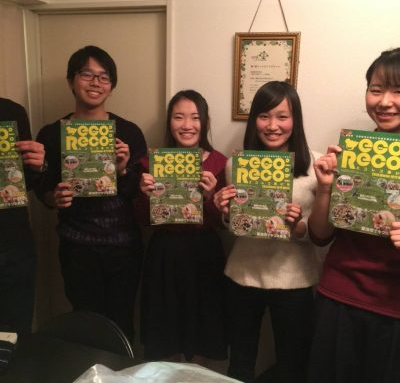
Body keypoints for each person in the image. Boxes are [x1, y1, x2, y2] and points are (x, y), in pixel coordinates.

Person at [35, 45, 147, 341]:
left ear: (111, 86)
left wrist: (122, 170)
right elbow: (43, 189)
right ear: (71, 81)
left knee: (121, 321)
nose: (96, 82)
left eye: (104, 77)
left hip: (123, 248)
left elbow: (138, 193)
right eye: (87, 74)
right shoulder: (51, 134)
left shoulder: (128, 132)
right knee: (85, 322)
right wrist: (54, 197)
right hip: (77, 247)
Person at [214, 81, 322, 383]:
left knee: (293, 365)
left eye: (282, 116)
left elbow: (318, 233)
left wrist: (296, 226)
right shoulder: (236, 165)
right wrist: (225, 212)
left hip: (295, 279)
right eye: (264, 116)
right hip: (243, 275)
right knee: (240, 363)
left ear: (295, 120)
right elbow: (237, 228)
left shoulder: (316, 167)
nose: (273, 126)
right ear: (254, 121)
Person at [308, 49, 400, 382]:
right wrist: (325, 189)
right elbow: (320, 236)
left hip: (392, 309)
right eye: (376, 90)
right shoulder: (354, 152)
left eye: (398, 91)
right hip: (339, 295)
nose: (385, 102)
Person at [139, 90, 227, 364]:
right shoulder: (151, 162)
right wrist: (145, 196)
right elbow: (142, 221)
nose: (187, 125)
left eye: (195, 117)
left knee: (203, 333)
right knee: (165, 336)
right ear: (169, 122)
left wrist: (211, 197)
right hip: (164, 255)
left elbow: (226, 223)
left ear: (205, 122)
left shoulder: (220, 163)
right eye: (179, 117)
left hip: (204, 255)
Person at [0, 98, 45, 335]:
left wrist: (37, 167)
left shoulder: (12, 111)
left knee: (17, 334)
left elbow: (24, 183)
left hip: (14, 244)